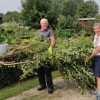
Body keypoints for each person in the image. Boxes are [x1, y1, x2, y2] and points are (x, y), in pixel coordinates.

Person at [36, 18, 55, 94]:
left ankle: (50, 87)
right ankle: (42, 85)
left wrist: (50, 48)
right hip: (38, 54)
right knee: (39, 70)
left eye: (46, 23)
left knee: (47, 70)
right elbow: (35, 42)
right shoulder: (37, 32)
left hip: (46, 53)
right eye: (44, 23)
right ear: (41, 24)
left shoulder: (50, 31)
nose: (46, 25)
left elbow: (53, 40)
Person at [86, 23, 100, 100]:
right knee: (97, 75)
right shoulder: (95, 36)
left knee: (98, 77)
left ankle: (99, 95)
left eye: (98, 28)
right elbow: (94, 47)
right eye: (95, 29)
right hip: (96, 58)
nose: (96, 30)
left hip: (99, 57)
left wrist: (89, 57)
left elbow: (98, 50)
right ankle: (98, 89)